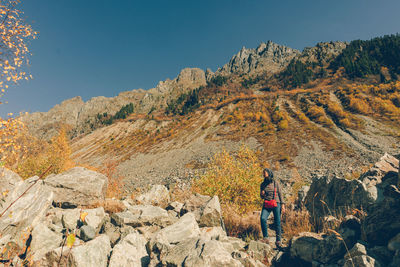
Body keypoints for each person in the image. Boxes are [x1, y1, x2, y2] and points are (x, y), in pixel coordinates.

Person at [260, 168, 285, 248]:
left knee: (277, 222)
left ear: (269, 173)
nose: (264, 174)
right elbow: (261, 197)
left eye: (265, 173)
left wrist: (283, 205)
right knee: (263, 219)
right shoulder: (262, 184)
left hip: (276, 203)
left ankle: (278, 241)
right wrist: (262, 194)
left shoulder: (275, 183)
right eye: (263, 173)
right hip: (267, 203)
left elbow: (280, 194)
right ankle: (266, 238)